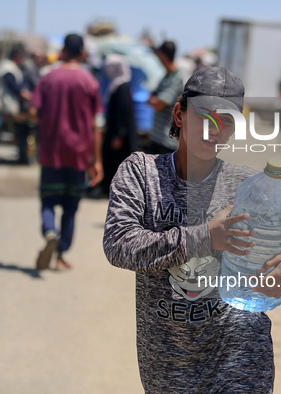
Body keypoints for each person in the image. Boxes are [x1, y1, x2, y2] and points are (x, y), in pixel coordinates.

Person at [104, 66, 281, 393]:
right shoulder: (142, 174)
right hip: (169, 365)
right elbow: (119, 244)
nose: (215, 129)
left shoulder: (249, 187)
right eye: (205, 116)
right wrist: (204, 238)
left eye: (227, 121)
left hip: (241, 348)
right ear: (179, 114)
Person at [30, 34, 104, 270]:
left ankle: (50, 231)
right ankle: (61, 256)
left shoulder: (48, 78)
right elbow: (97, 124)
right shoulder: (89, 82)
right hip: (79, 155)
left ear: (62, 51)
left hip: (51, 153)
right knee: (71, 208)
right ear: (82, 53)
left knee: (48, 201)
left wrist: (49, 119)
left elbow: (33, 111)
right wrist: (97, 160)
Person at [101, 54, 138, 196]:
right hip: (116, 132)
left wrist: (119, 135)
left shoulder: (122, 87)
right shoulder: (117, 85)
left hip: (120, 136)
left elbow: (122, 113)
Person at [146, 40, 183, 154]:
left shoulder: (175, 79)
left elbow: (158, 104)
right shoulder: (167, 76)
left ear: (163, 55)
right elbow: (152, 98)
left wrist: (153, 100)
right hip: (157, 138)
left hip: (167, 141)